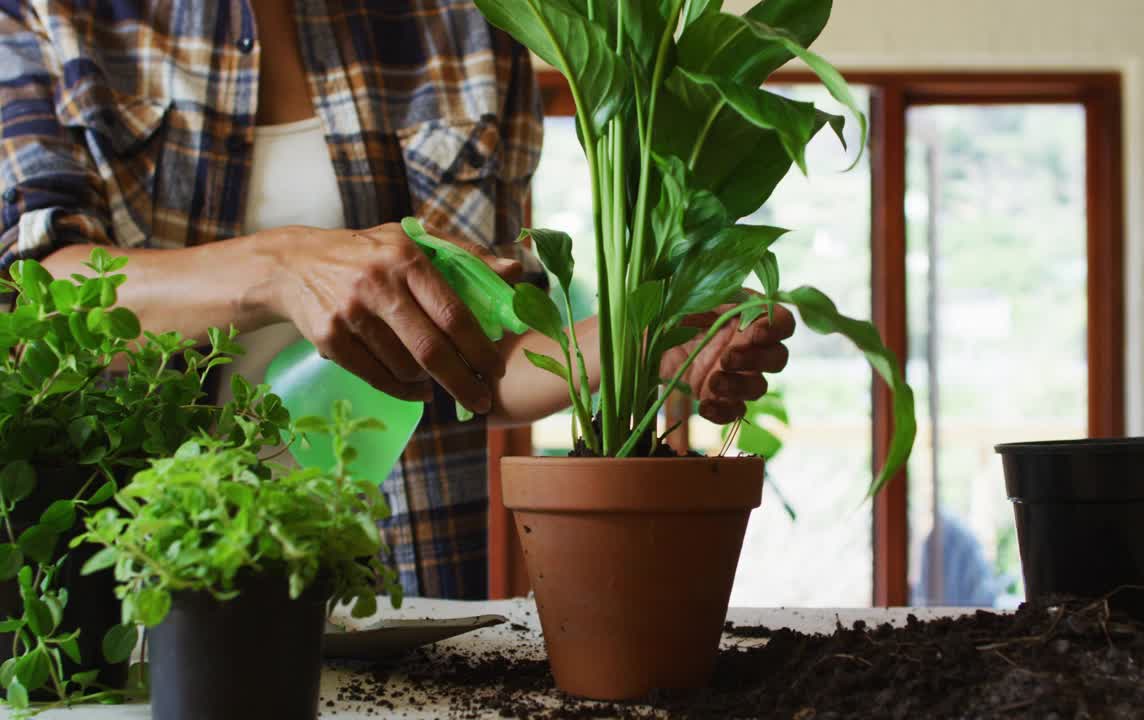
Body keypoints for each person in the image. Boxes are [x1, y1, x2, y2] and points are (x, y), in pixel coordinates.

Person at [0, 1, 795, 599]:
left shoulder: (469, 24)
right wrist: (284, 266)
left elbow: (477, 348)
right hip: (138, 583)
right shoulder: (49, 15)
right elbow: (38, 300)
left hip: (396, 584)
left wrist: (643, 346)